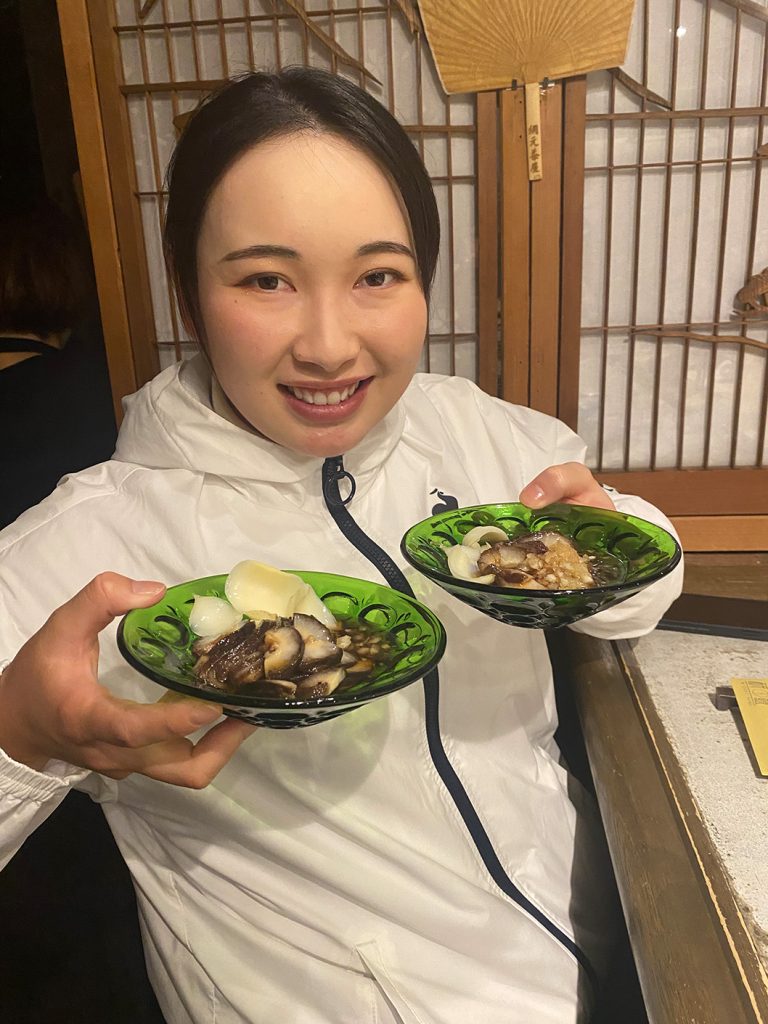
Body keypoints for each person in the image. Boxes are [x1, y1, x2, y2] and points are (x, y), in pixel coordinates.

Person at [0, 67, 682, 1024]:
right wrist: (22, 738)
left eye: (377, 276)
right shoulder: (91, 540)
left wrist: (610, 549)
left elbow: (646, 575)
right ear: (190, 298)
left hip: (608, 943)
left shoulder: (479, 435)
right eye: (266, 280)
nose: (328, 345)